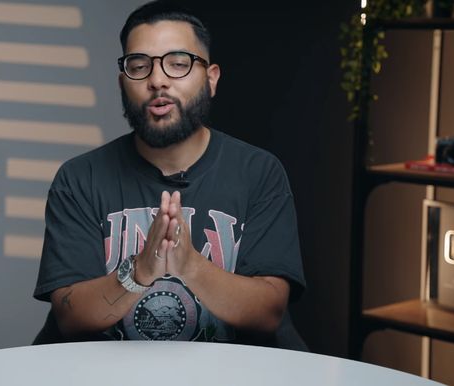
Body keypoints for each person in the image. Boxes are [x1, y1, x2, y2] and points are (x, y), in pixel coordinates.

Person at [33, 0, 306, 350]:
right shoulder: (79, 178)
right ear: (122, 83)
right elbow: (70, 318)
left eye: (178, 64)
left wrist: (191, 266)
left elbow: (268, 313)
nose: (157, 80)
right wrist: (139, 272)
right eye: (139, 66)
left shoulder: (258, 173)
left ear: (211, 80)